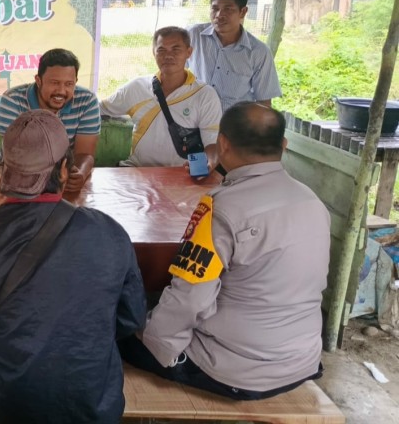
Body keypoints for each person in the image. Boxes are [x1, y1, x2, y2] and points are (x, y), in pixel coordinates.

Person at [0, 110, 146, 424]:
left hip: (10, 399)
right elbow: (131, 318)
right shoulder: (110, 231)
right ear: (62, 170)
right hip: (96, 401)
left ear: (6, 170)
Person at [119, 102, 329, 400]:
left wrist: (152, 342)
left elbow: (189, 299)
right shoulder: (312, 202)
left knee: (120, 333)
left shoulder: (222, 209)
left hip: (235, 370)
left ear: (224, 144)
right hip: (303, 358)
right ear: (283, 145)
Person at [100, 26, 221, 169]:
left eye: (176, 49)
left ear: (189, 52)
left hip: (181, 174)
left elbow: (212, 143)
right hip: (138, 171)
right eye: (161, 50)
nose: (168, 56)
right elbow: (98, 109)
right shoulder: (137, 87)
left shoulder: (204, 94)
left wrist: (209, 164)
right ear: (153, 53)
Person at [0, 48, 100, 193]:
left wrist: (79, 173)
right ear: (38, 80)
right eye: (54, 83)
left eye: (69, 84)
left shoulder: (87, 101)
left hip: (62, 172)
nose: (61, 91)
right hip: (13, 169)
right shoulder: (13, 99)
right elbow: (16, 153)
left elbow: (85, 154)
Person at [187, 0, 281, 112]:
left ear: (242, 12)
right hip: (193, 119)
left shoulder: (259, 52)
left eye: (228, 9)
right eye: (215, 9)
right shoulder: (193, 36)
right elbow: (176, 74)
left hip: (233, 126)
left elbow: (264, 102)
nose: (219, 15)